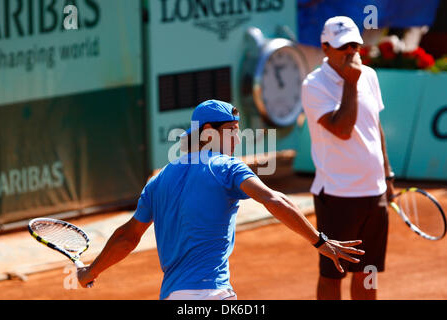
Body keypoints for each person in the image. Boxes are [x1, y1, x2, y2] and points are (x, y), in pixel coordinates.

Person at [77, 99, 364, 300]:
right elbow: (274, 199)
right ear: (209, 133)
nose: (237, 140)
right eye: (233, 132)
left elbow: (128, 237)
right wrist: (319, 241)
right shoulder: (227, 168)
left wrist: (91, 271)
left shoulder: (159, 180)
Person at [301, 16, 395, 300]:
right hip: (338, 195)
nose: (351, 52)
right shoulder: (314, 84)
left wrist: (387, 175)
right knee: (333, 273)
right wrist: (351, 84)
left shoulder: (369, 75)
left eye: (354, 45)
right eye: (343, 46)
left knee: (368, 272)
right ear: (326, 47)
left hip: (374, 191)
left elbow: (373, 126)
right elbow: (342, 129)